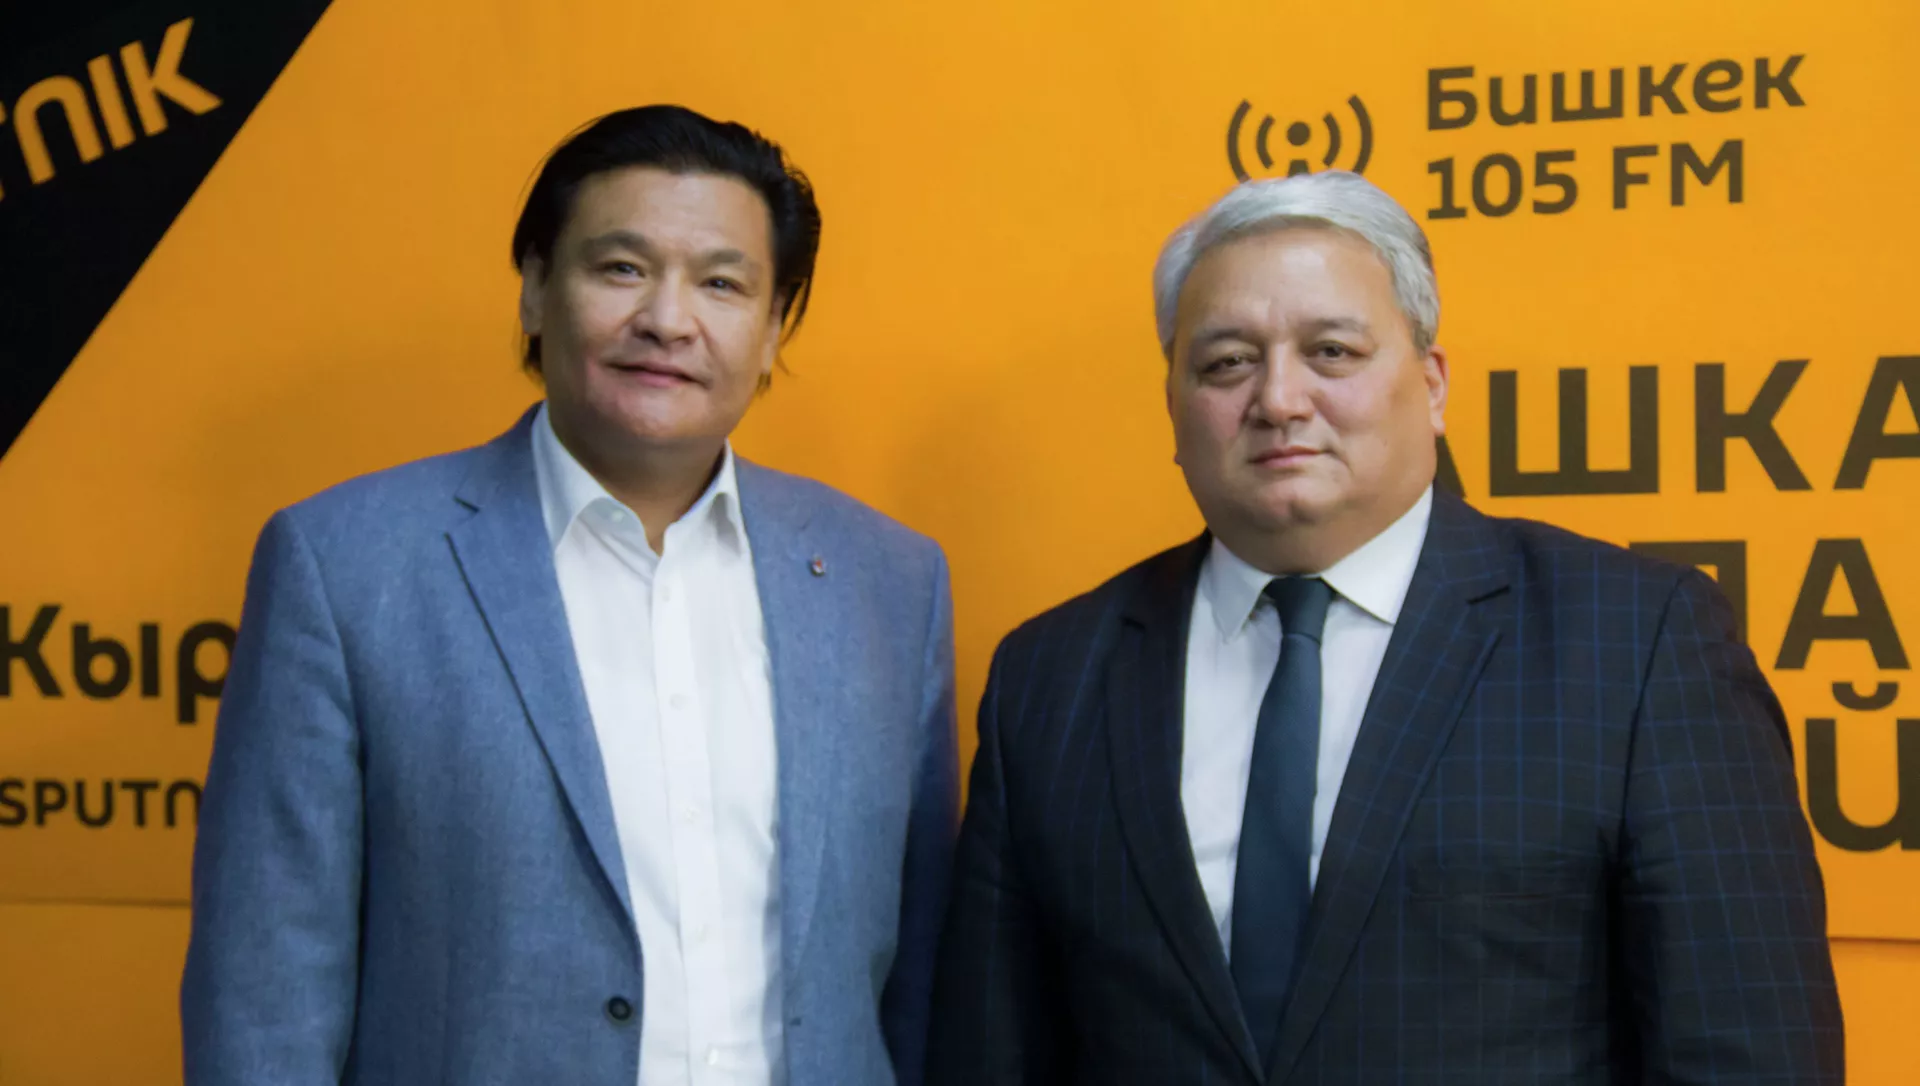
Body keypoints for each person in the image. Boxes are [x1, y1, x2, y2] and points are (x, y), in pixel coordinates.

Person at [927, 170, 1842, 1084]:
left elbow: (1750, 1054)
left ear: (1433, 386)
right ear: (1174, 405)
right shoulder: (1051, 678)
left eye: (1331, 352)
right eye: (1228, 363)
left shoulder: (1639, 643)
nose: (1278, 400)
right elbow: (989, 1056)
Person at [182, 105, 957, 1086]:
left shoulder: (887, 581)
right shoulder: (346, 567)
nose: (668, 320)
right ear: (536, 290)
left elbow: (924, 982)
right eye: (622, 268)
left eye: (722, 283)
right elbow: (265, 995)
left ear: (773, 330)